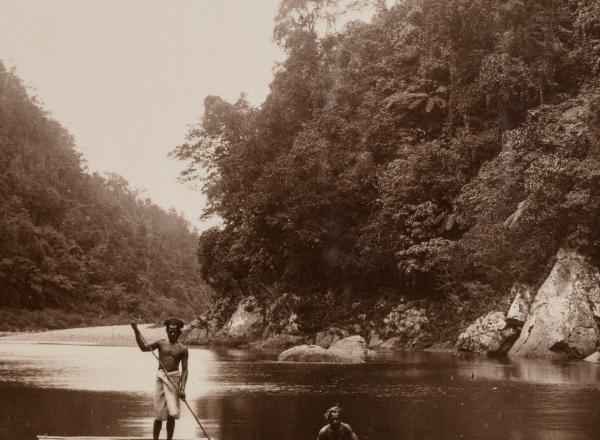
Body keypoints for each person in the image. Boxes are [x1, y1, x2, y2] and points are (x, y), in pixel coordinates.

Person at [131, 318, 189, 440]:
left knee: (171, 413)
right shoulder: (161, 343)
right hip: (161, 378)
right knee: (158, 414)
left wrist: (183, 388)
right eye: (170, 331)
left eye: (175, 331)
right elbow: (143, 348)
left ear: (179, 333)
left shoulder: (183, 349)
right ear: (167, 331)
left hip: (174, 379)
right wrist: (136, 331)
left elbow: (185, 370)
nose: (172, 333)